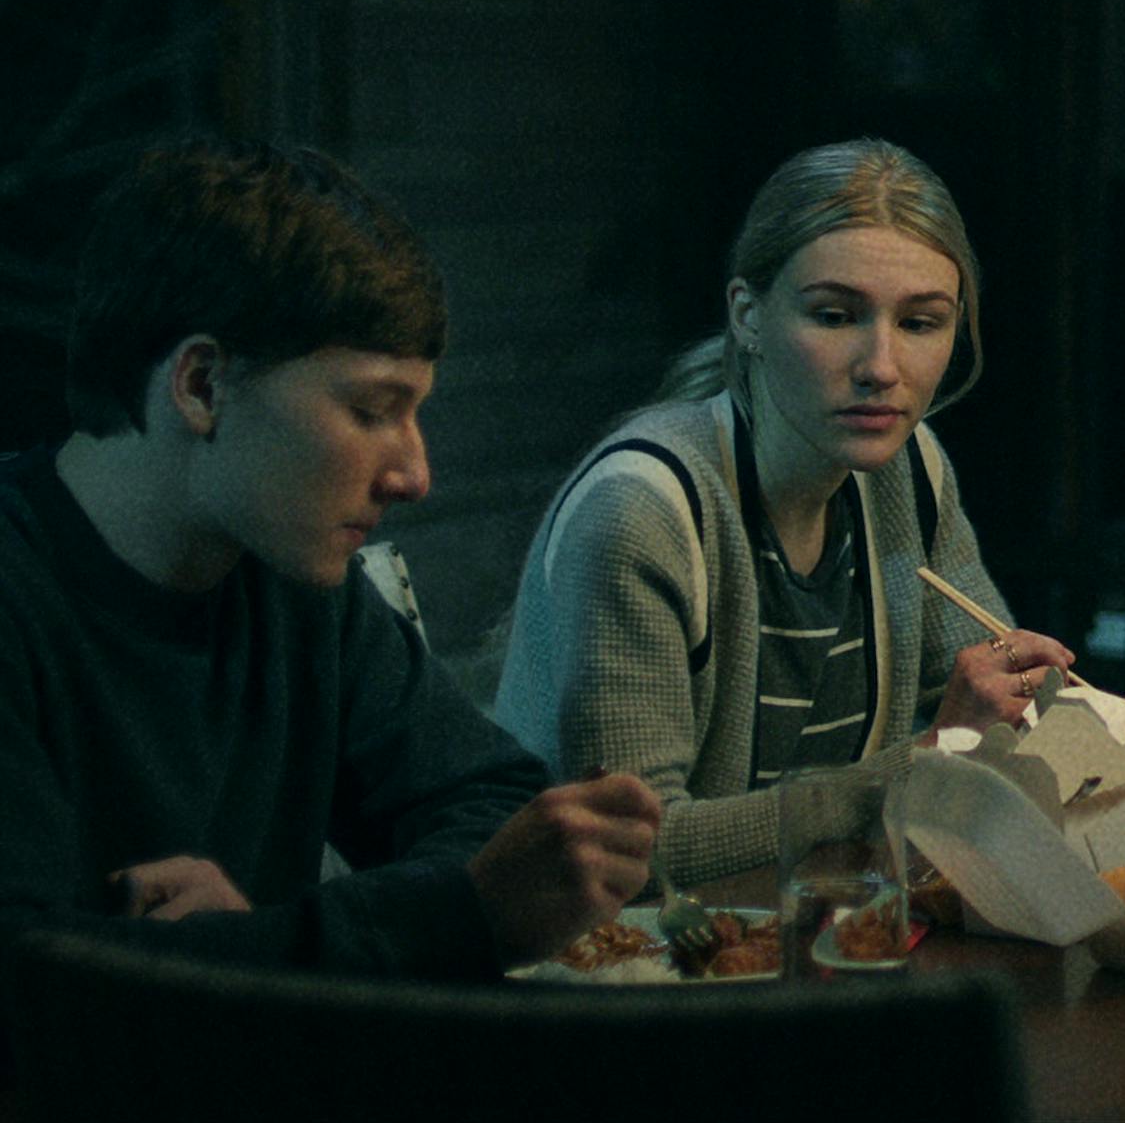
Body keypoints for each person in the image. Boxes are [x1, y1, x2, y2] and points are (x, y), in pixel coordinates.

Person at [0, 141, 659, 998]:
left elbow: (494, 804)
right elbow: (33, 998)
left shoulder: (296, 583)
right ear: (201, 385)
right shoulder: (20, 597)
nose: (415, 477)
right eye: (371, 409)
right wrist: (387, 927)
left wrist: (250, 947)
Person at [495, 139, 1072, 887]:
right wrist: (920, 764)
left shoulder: (909, 471)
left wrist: (1029, 701)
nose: (882, 367)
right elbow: (638, 854)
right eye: (835, 315)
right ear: (748, 315)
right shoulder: (641, 511)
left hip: (809, 938)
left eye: (922, 323)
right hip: (612, 973)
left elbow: (988, 714)